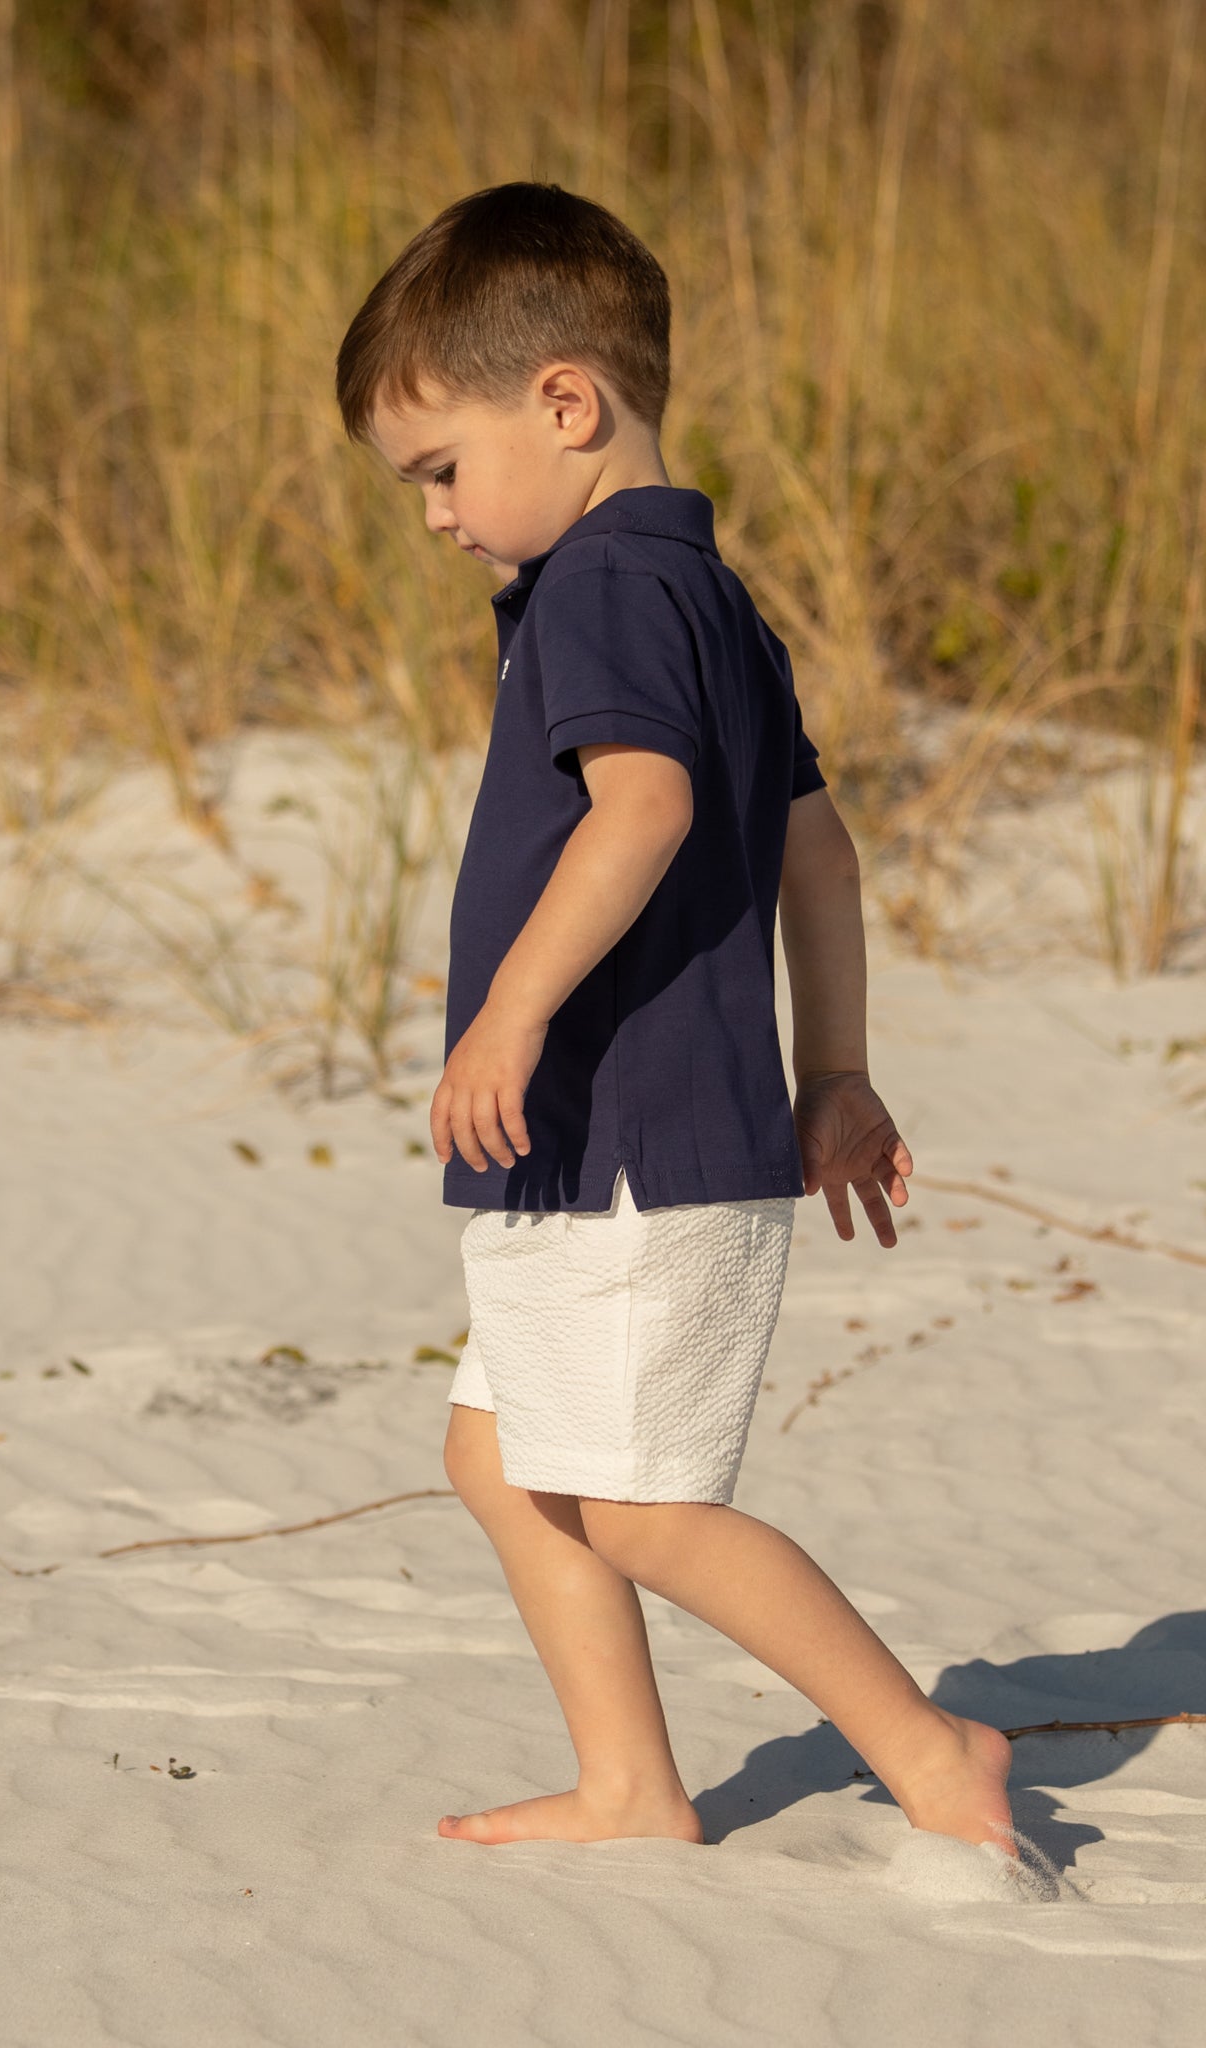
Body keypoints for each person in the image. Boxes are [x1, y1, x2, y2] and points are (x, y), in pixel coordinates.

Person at [335, 182, 1013, 1854]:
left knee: (641, 1503)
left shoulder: (603, 595)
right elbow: (817, 849)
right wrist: (836, 1068)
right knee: (500, 1454)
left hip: (628, 1135)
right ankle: (634, 1786)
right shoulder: (716, 598)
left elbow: (637, 813)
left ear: (566, 404)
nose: (434, 517)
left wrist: (505, 1016)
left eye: (439, 470)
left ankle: (932, 1753)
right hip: (605, 1140)